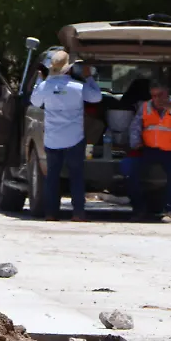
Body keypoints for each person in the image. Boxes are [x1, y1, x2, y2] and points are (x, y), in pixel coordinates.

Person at [30, 50, 101, 222]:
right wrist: (89, 77)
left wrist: (41, 79)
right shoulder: (77, 87)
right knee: (76, 176)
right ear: (69, 69)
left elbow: (34, 102)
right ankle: (78, 213)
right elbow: (97, 97)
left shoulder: (45, 87)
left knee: (52, 177)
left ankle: (51, 213)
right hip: (74, 138)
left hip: (52, 139)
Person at [127, 79, 171, 223]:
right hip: (150, 149)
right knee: (132, 172)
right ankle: (139, 210)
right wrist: (136, 143)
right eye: (153, 96)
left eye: (160, 95)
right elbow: (136, 126)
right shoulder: (145, 106)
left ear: (167, 93)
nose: (156, 99)